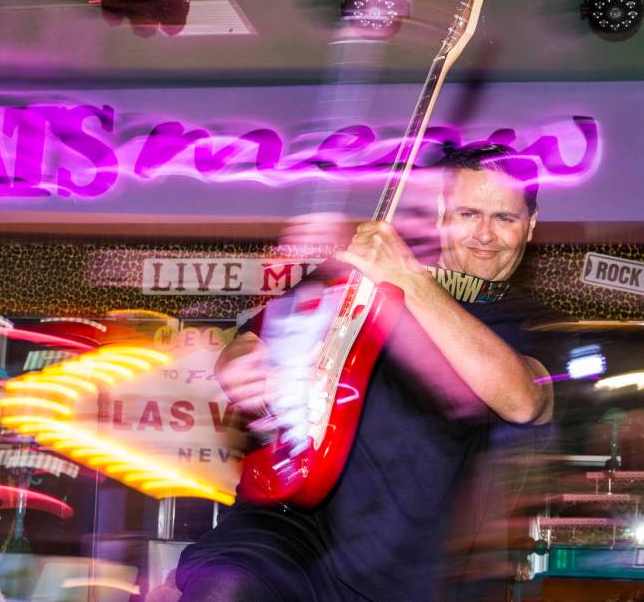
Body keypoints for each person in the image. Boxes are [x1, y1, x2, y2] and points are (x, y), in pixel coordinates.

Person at [175, 145, 554, 602]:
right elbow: (254, 340)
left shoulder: (531, 321)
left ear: (531, 224)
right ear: (438, 214)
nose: (485, 235)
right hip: (294, 533)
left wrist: (408, 281)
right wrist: (239, 367)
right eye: (469, 214)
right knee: (225, 585)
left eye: (505, 219)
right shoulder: (354, 277)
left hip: (416, 570)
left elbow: (522, 400)